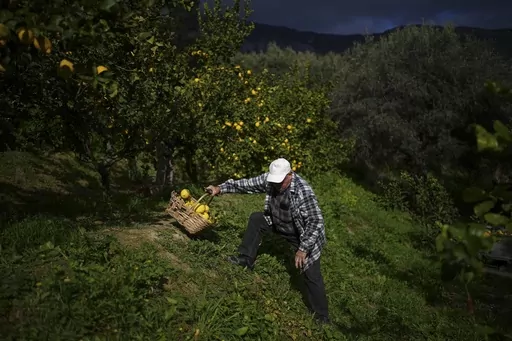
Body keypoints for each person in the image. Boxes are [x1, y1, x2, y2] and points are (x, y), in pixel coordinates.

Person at [206, 158, 330, 324]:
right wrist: (220, 188)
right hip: (279, 222)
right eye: (274, 181)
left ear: (290, 175)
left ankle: (322, 317)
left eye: (280, 181)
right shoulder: (272, 180)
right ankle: (245, 259)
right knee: (257, 219)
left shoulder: (303, 192)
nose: (277, 185)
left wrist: (303, 248)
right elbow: (247, 184)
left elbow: (315, 221)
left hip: (302, 233)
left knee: (311, 273)